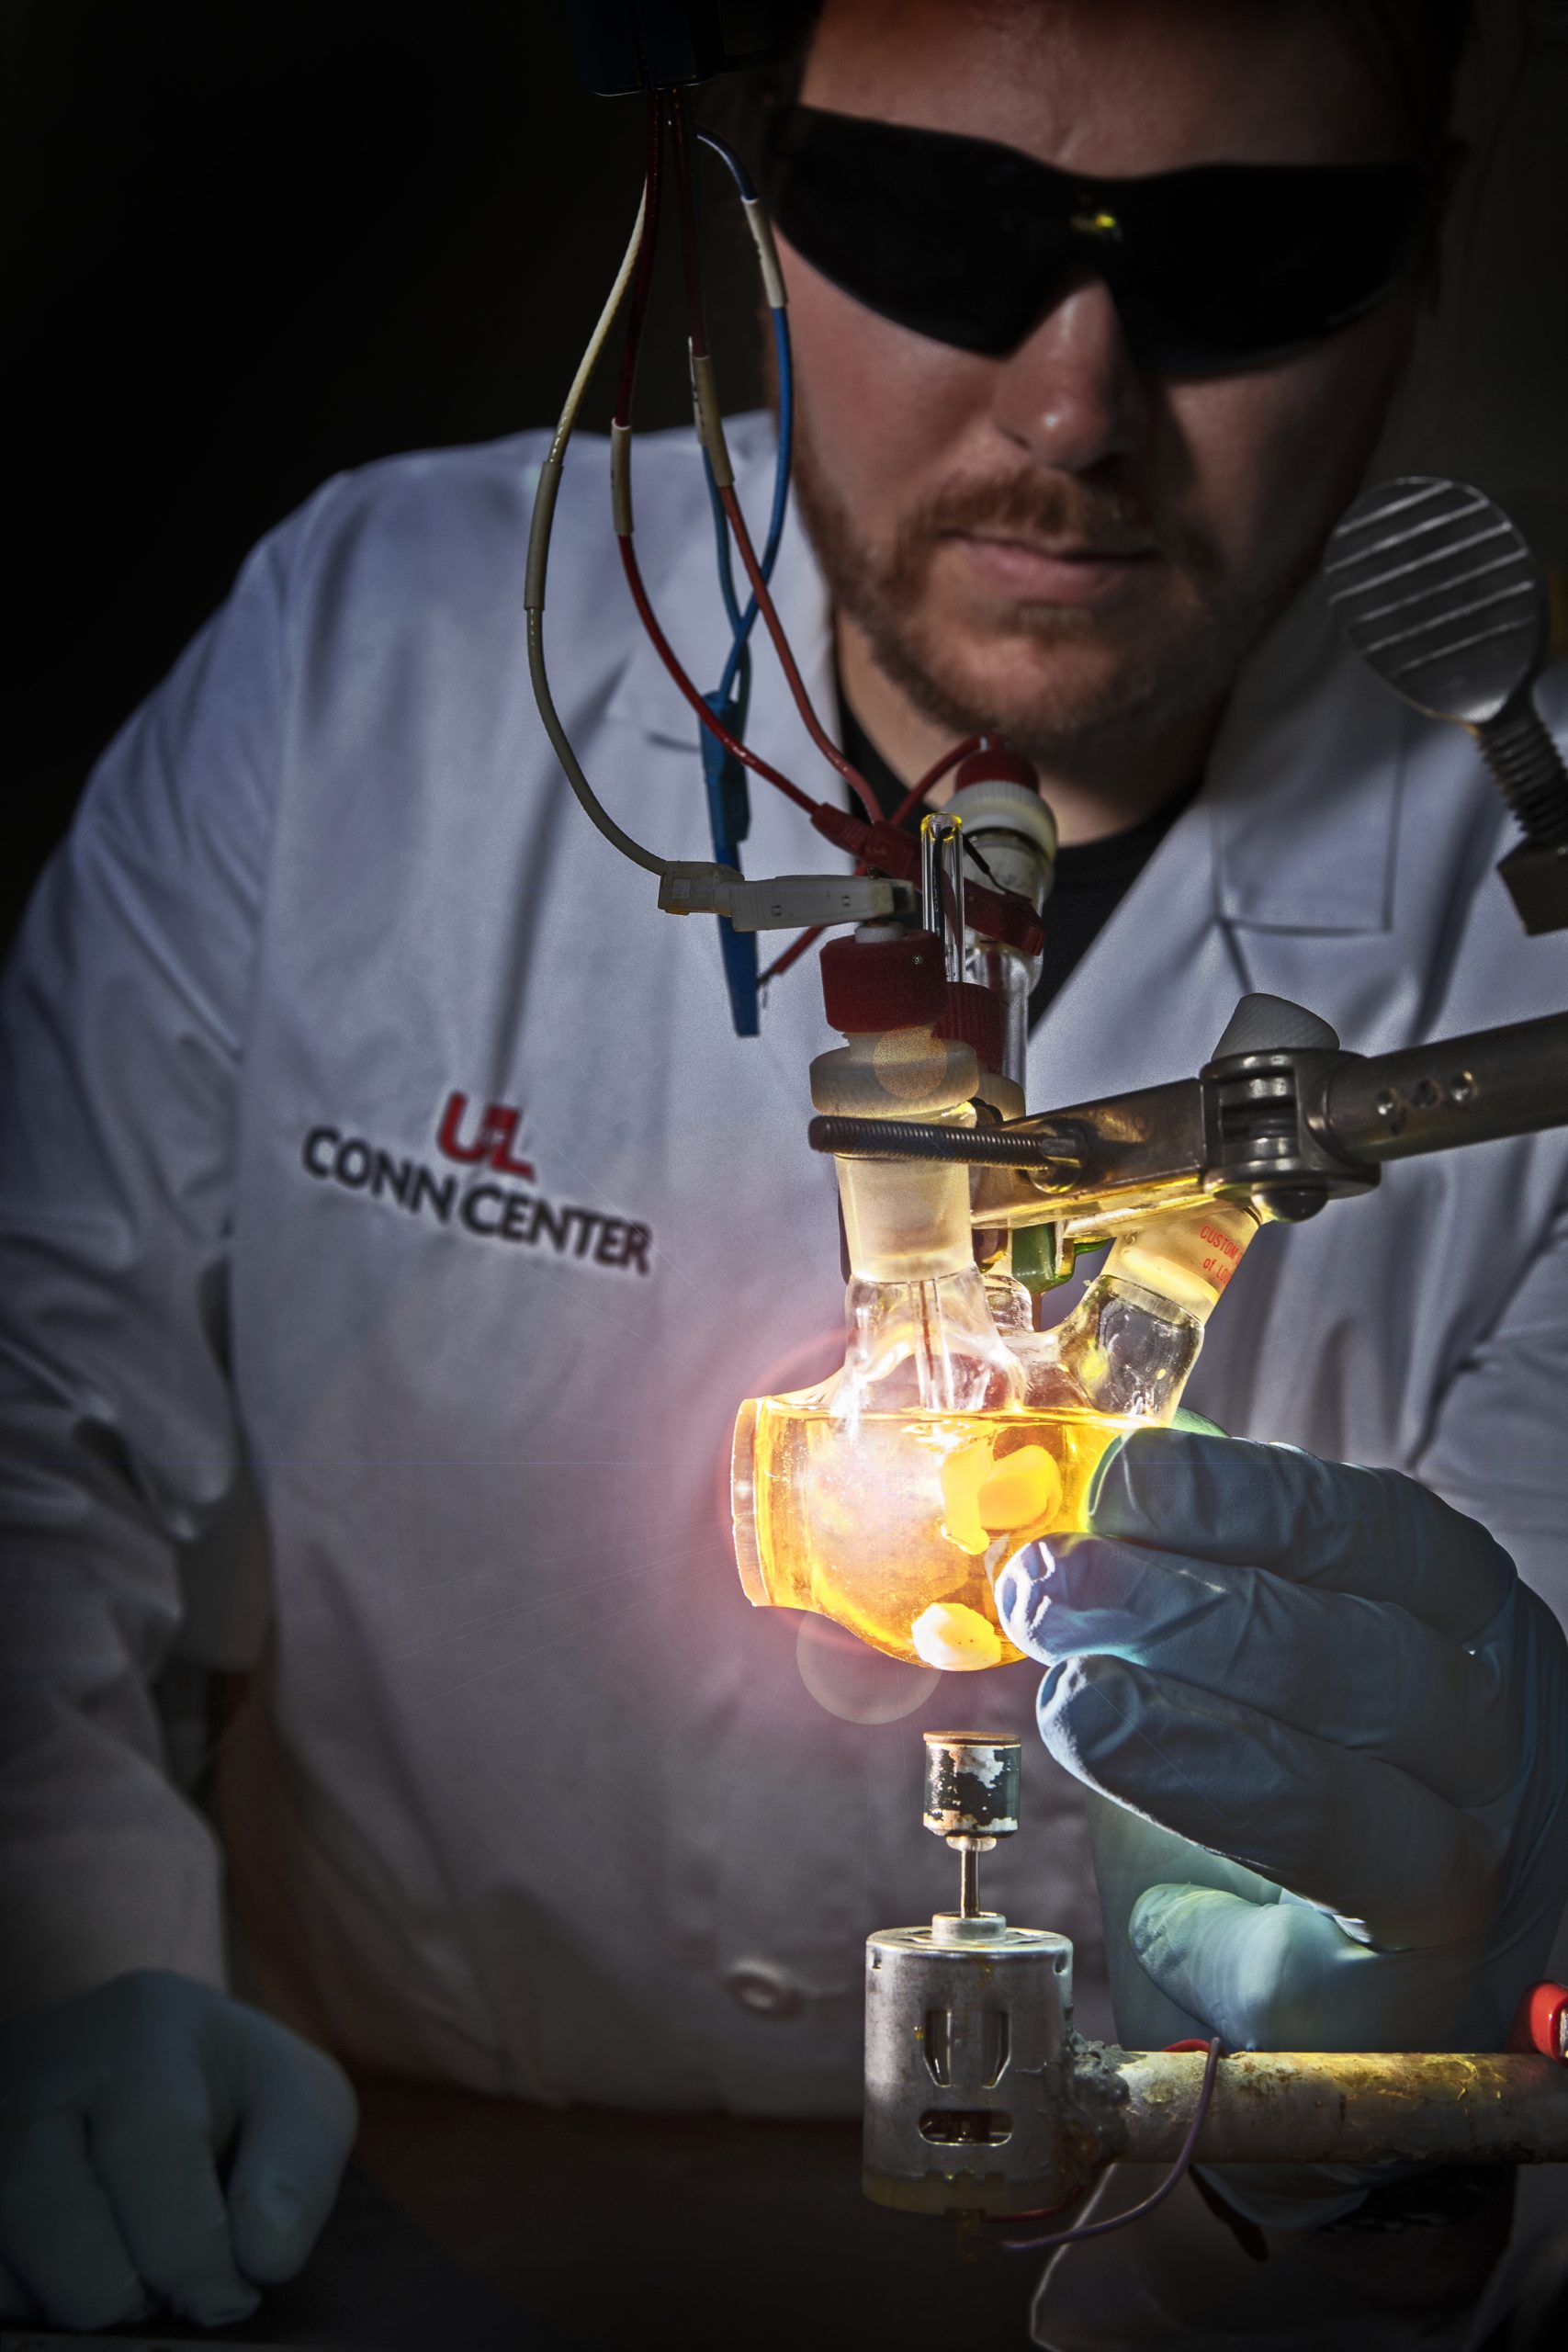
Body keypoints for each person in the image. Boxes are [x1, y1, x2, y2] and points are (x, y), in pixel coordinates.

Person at [3, 0, 1565, 2343]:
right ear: (750, 198)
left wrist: (1380, 2109)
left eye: (1244, 257)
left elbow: (1492, 1962)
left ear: (1417, 261)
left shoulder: (1517, 959)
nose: (1072, 410)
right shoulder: (366, 668)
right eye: (940, 226)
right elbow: (30, 1436)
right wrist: (59, 1954)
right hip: (352, 2208)